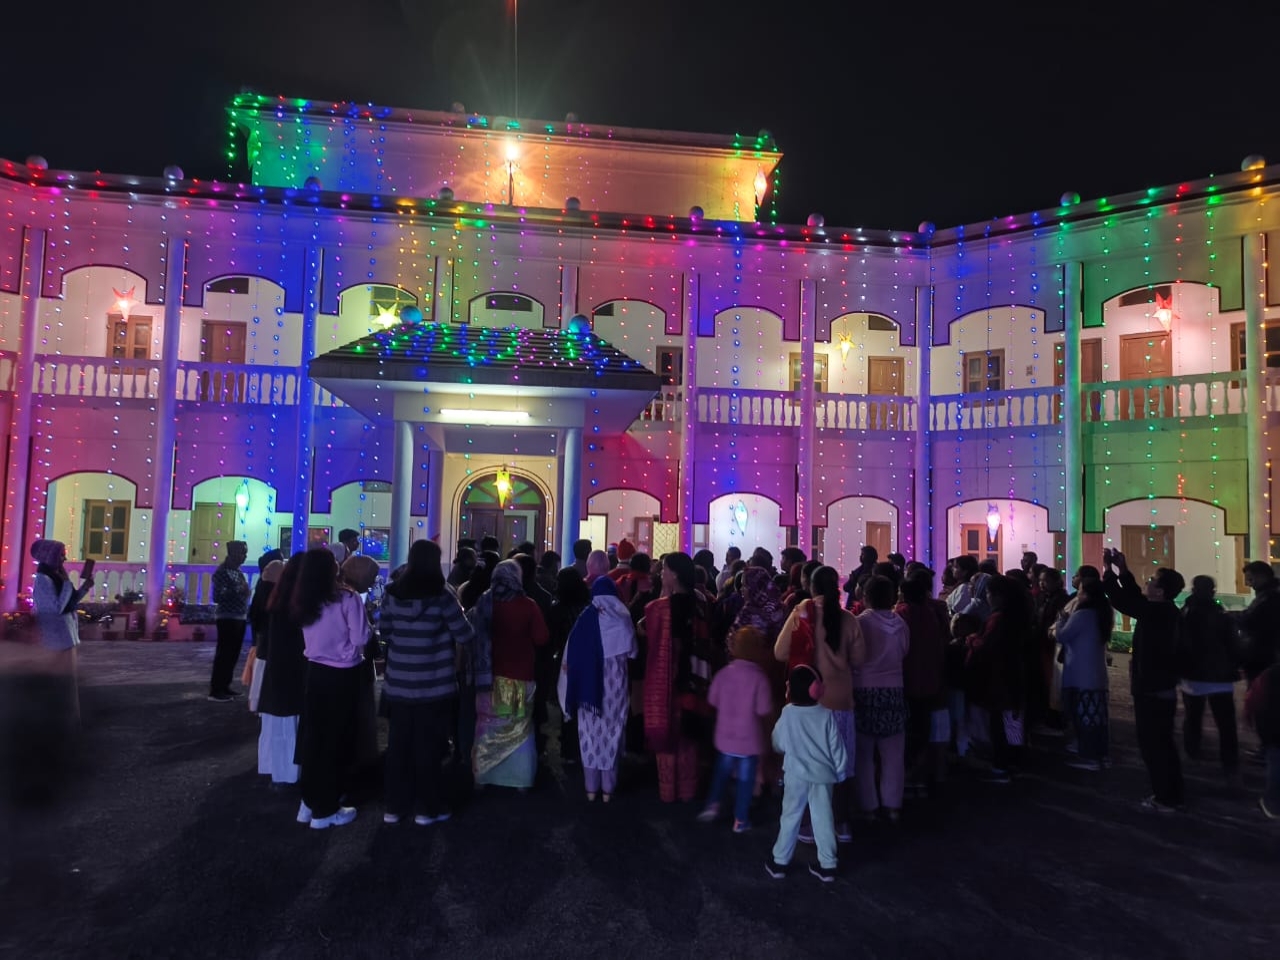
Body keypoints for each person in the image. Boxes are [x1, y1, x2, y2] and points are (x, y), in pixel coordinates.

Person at [380, 540, 474, 825]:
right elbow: (464, 633)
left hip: (399, 682)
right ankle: (427, 807)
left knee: (398, 745)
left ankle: (395, 806)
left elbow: (385, 631)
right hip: (435, 684)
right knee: (429, 746)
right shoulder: (443, 596)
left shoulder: (392, 593)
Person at [1102, 548, 1184, 812]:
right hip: (1160, 686)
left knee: (1153, 745)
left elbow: (1122, 600)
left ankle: (1165, 797)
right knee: (1163, 743)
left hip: (1152, 688)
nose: (1148, 582)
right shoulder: (1163, 610)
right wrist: (1123, 570)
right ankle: (1172, 793)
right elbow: (1134, 598)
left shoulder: (1157, 613)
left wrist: (1108, 571)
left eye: (1152, 581)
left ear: (1160, 591)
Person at [295, 548, 370, 829]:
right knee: (336, 740)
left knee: (314, 737)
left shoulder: (304, 598)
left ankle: (309, 800)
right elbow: (360, 636)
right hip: (343, 672)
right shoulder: (347, 598)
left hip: (315, 671)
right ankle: (326, 808)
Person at [468, 559, 549, 790]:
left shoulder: (485, 601)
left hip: (488, 678)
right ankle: (519, 779)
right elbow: (542, 637)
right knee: (517, 729)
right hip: (518, 676)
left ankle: (484, 775)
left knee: (488, 727)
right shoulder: (528, 605)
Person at [765, 664, 847, 884]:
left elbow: (777, 743)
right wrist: (840, 772)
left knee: (790, 816)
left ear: (791, 689)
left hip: (795, 775)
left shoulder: (788, 714)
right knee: (823, 818)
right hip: (823, 778)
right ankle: (828, 865)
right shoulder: (826, 715)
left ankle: (780, 862)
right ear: (817, 689)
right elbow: (837, 748)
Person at [643, 551, 712, 803]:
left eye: (664, 570)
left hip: (667, 678)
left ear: (673, 575)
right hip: (695, 677)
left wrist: (663, 594)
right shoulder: (701, 602)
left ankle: (668, 791)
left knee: (668, 732)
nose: (661, 573)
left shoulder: (660, 608)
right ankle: (688, 790)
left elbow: (643, 627)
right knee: (689, 734)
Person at [560, 576, 637, 801]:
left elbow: (571, 654)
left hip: (588, 689)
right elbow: (633, 652)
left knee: (590, 735)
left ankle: (591, 788)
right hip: (616, 688)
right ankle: (608, 790)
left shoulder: (585, 618)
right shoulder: (623, 617)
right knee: (612, 732)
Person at [698, 626, 774, 831]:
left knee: (721, 773)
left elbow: (712, 700)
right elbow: (764, 708)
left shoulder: (723, 674)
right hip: (749, 741)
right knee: (746, 781)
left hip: (725, 738)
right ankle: (740, 820)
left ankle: (713, 805)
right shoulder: (760, 678)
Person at [853, 575, 910, 817]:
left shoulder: (860, 623)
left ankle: (869, 807)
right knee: (894, 754)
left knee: (864, 754)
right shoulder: (901, 624)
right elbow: (904, 652)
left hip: (863, 689)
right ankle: (893, 805)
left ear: (865, 596)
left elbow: (854, 656)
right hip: (894, 689)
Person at [1178, 576, 1241, 784]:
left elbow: (1180, 643)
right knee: (1225, 722)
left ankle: (1193, 751)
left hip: (1193, 674)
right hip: (1220, 675)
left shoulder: (1186, 613)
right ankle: (1229, 761)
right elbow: (1233, 644)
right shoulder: (1221, 614)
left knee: (1193, 717)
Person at [30, 539, 94, 722]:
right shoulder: (43, 579)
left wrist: (84, 588)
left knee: (69, 684)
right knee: (61, 683)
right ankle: (58, 722)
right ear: (50, 556)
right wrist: (66, 584)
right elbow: (56, 608)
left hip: (66, 638)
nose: (64, 558)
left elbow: (70, 602)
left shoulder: (56, 576)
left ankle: (68, 722)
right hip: (57, 640)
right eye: (61, 555)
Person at [257, 552, 306, 787]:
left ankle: (276, 769)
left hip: (279, 670)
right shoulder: (294, 602)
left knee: (279, 726)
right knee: (288, 725)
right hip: (291, 670)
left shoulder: (280, 597)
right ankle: (287, 773)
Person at [1055, 578, 1112, 770]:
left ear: (1087, 594)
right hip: (1095, 674)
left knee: (1084, 716)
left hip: (1080, 674)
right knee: (1095, 717)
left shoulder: (1082, 615)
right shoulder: (1102, 613)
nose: (1077, 594)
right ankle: (1098, 753)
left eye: (1080, 591)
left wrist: (1062, 619)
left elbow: (1062, 635)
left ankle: (1089, 757)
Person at [209, 540, 251, 702]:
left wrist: (244, 593)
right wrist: (239, 590)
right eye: (242, 553)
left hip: (239, 616)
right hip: (227, 617)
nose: (244, 557)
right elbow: (217, 596)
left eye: (245, 553)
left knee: (233, 654)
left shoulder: (238, 573)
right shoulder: (222, 572)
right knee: (224, 654)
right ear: (233, 553)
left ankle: (226, 686)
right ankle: (216, 690)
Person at [1244, 662, 1280, 818]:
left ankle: (1273, 804)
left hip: (1274, 730)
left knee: (1276, 763)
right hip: (1273, 730)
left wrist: (1249, 718)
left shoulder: (1269, 674)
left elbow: (1253, 699)